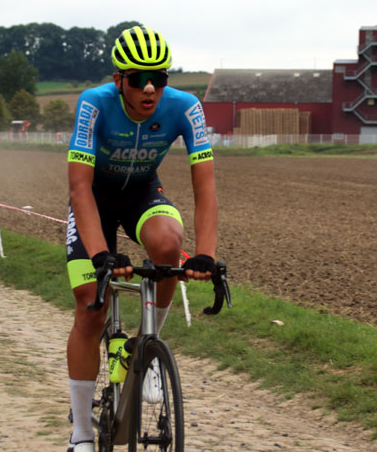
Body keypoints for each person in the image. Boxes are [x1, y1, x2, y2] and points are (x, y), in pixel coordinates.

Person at [65, 26, 218, 452]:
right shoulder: (94, 104)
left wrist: (205, 253)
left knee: (169, 246)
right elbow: (79, 188)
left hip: (142, 194)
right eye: (137, 78)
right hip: (94, 199)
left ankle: (146, 350)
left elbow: (205, 186)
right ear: (119, 80)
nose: (149, 87)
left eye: (159, 77)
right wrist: (101, 254)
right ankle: (81, 433)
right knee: (89, 305)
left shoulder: (186, 107)